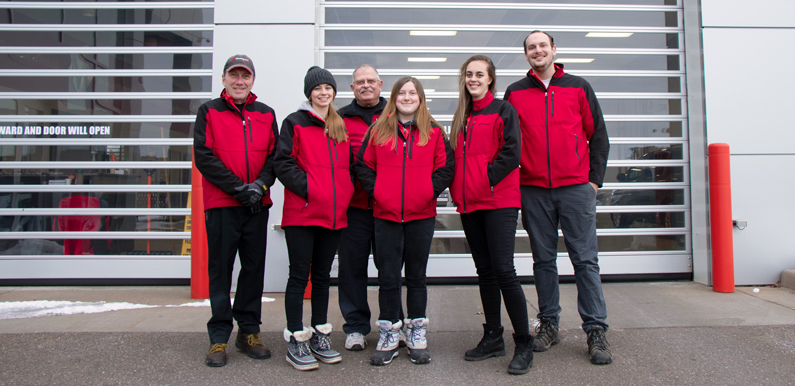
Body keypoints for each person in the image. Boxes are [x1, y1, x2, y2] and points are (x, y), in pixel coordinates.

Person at [504, 31, 612, 365]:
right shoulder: (515, 92)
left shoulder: (579, 87)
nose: (537, 51)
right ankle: (549, 323)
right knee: (543, 260)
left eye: (542, 46)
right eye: (531, 47)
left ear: (554, 50)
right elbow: (507, 141)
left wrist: (593, 182)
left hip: (576, 188)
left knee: (585, 260)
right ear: (526, 55)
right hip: (534, 189)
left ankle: (595, 330)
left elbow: (598, 135)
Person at [357, 76, 454, 366]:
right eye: (402, 93)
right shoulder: (378, 130)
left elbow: (445, 169)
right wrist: (379, 193)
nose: (407, 97)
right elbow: (363, 166)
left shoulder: (434, 131)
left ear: (420, 98)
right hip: (385, 215)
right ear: (394, 98)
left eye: (413, 93)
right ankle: (389, 332)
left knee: (416, 276)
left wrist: (425, 193)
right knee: (388, 276)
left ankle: (416, 332)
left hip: (420, 215)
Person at [449, 55, 533, 375]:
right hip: (470, 204)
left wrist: (485, 179)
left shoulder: (503, 110)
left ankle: (523, 343)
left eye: (479, 74)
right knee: (484, 271)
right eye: (469, 74)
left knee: (503, 270)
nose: (473, 79)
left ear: (490, 80)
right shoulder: (462, 116)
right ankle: (493, 337)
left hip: (499, 200)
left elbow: (512, 152)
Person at [194, 54, 278, 367]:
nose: (239, 81)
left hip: (256, 204)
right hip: (222, 205)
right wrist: (238, 188)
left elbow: (275, 157)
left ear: (252, 80)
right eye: (234, 75)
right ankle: (218, 337)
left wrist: (259, 187)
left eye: (245, 76)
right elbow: (204, 156)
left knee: (253, 269)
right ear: (224, 79)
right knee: (221, 270)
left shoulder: (266, 113)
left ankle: (249, 332)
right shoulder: (209, 111)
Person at [275, 66, 355, 371]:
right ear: (309, 93)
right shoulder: (294, 122)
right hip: (303, 213)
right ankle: (296, 339)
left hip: (333, 215)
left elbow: (348, 168)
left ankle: (320, 335)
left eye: (328, 88)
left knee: (322, 276)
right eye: (317, 88)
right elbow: (283, 163)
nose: (323, 93)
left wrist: (344, 193)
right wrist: (311, 189)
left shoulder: (339, 125)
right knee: (299, 276)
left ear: (334, 92)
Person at [336, 64, 396, 351]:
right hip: (354, 208)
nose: (366, 85)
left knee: (390, 269)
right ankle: (356, 327)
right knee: (351, 269)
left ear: (381, 85)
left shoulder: (395, 114)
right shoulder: (339, 119)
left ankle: (392, 323)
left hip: (388, 208)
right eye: (360, 82)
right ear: (352, 88)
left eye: (371, 80)